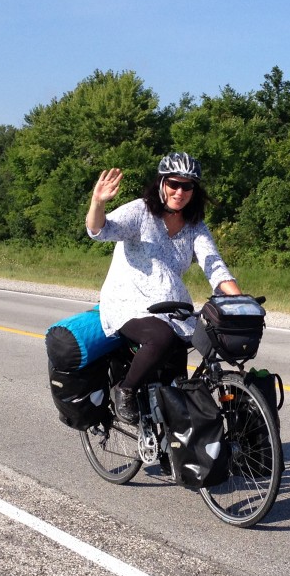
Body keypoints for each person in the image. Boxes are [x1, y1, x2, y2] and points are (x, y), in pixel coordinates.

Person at [86, 152, 242, 424]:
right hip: (128, 302)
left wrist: (239, 301)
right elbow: (100, 230)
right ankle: (125, 390)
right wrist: (97, 203)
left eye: (187, 186)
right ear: (161, 184)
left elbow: (214, 265)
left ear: (195, 190)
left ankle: (175, 444)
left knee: (181, 376)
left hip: (172, 307)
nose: (180, 192)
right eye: (174, 184)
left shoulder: (195, 227)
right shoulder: (140, 212)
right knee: (162, 338)